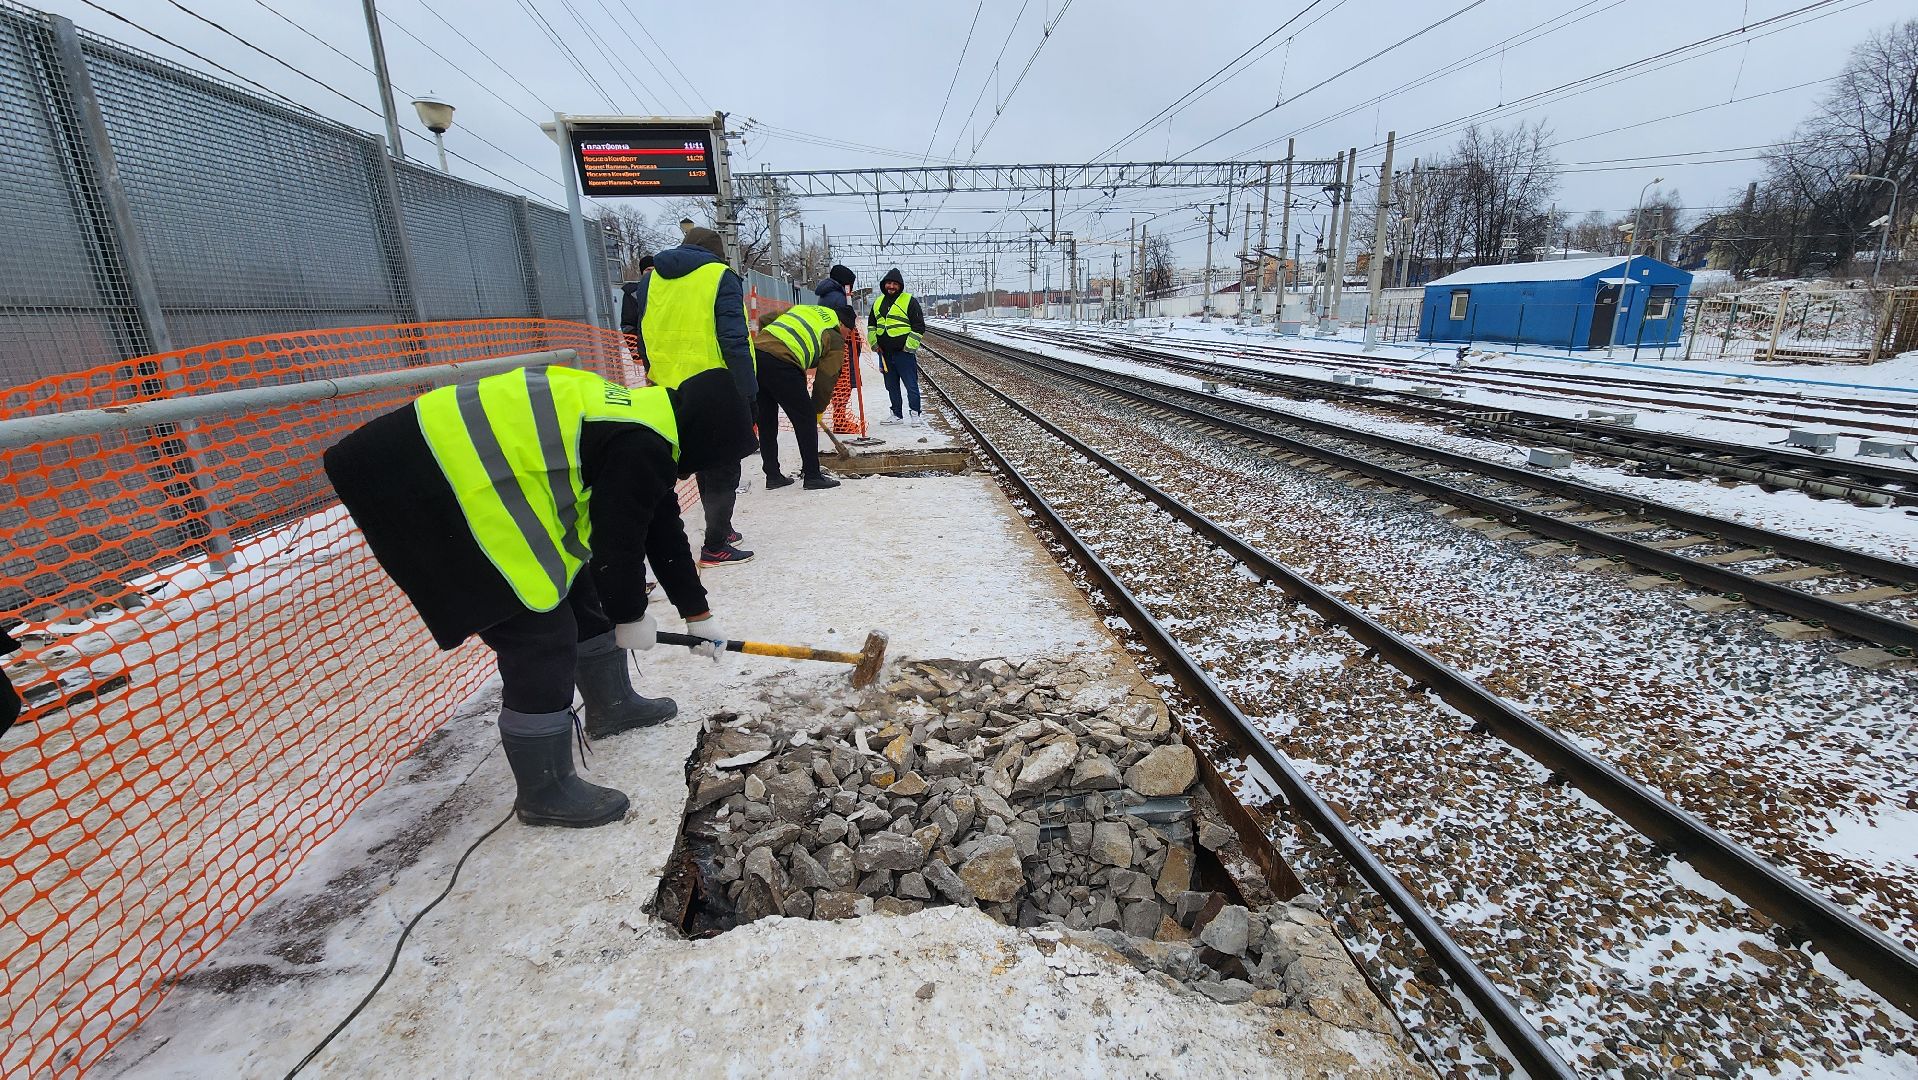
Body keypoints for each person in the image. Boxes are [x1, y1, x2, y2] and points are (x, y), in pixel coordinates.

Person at [323, 364, 754, 829]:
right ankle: (544, 791)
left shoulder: (649, 420)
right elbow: (619, 542)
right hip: (419, 480)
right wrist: (630, 616)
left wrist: (697, 614)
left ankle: (611, 706)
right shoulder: (641, 443)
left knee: (575, 586)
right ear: (705, 438)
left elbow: (658, 523)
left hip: (445, 466)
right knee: (537, 632)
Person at [630, 227, 758, 567]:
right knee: (722, 464)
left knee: (676, 462)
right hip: (713, 382)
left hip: (666, 384)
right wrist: (748, 390)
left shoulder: (650, 280)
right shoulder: (720, 276)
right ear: (715, 253)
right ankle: (715, 545)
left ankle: (717, 528)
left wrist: (651, 371)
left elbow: (642, 333)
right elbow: (732, 337)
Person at [752, 302, 854, 490]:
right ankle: (813, 476)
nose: (847, 337)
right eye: (849, 332)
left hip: (756, 356)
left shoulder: (803, 309)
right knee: (805, 420)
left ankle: (773, 475)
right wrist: (816, 411)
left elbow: (765, 319)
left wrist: (769, 345)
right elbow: (826, 379)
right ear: (842, 325)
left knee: (766, 421)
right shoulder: (835, 335)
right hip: (784, 362)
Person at [869, 267, 926, 427]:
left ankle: (915, 414)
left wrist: (909, 347)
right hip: (885, 354)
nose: (891, 286)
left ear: (900, 285)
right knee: (891, 386)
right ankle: (896, 414)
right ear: (884, 285)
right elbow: (872, 326)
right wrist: (874, 344)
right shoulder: (878, 302)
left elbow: (918, 326)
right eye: (889, 283)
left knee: (911, 384)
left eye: (895, 284)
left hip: (904, 354)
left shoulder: (909, 301)